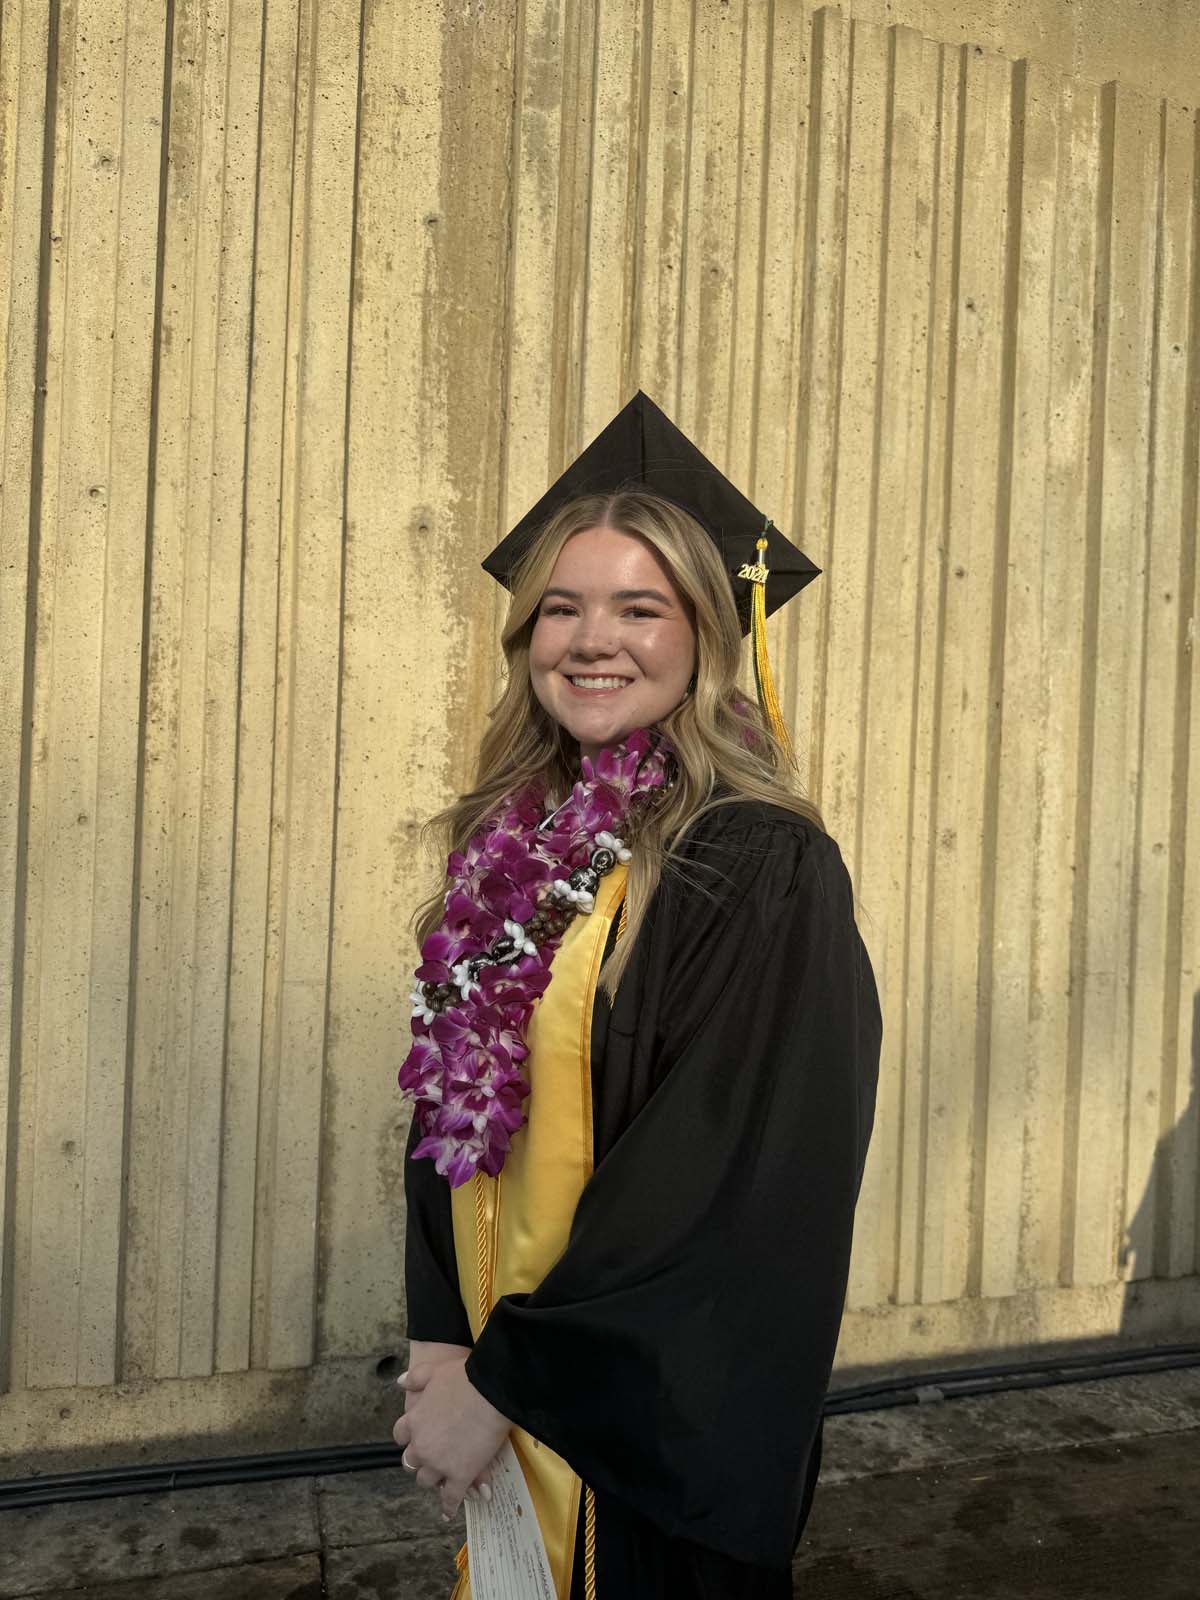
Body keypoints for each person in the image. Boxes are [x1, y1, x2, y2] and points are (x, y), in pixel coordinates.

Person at [392, 393, 881, 1599]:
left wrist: (509, 1381)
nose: (591, 638)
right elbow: (452, 1123)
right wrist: (445, 1332)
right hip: (506, 1387)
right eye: (561, 606)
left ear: (706, 634)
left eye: (639, 607)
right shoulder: (515, 852)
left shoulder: (758, 863)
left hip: (641, 1442)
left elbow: (729, 1184)